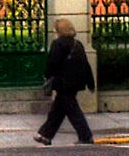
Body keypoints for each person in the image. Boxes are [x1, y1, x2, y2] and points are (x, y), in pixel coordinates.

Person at [37, 17, 95, 146]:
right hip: (76, 82)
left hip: (63, 83)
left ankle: (86, 136)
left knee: (73, 111)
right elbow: (86, 65)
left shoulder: (58, 44)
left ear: (59, 30)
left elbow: (52, 63)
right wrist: (90, 83)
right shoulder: (77, 44)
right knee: (57, 110)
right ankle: (46, 135)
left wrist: (47, 75)